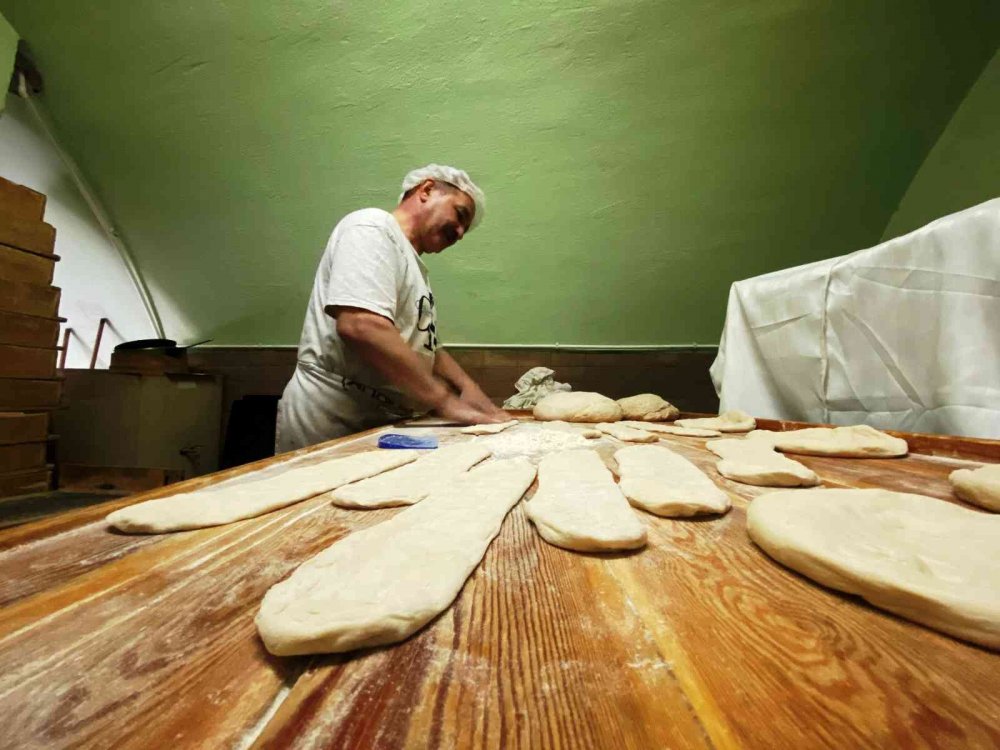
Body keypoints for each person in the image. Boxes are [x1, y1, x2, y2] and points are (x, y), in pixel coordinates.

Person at [275, 164, 510, 452]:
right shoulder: (372, 228)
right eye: (459, 214)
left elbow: (426, 347)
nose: (460, 233)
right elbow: (361, 325)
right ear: (426, 190)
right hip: (333, 415)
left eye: (465, 228)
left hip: (376, 417)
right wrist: (444, 401)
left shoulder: (414, 268)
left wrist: (469, 389)